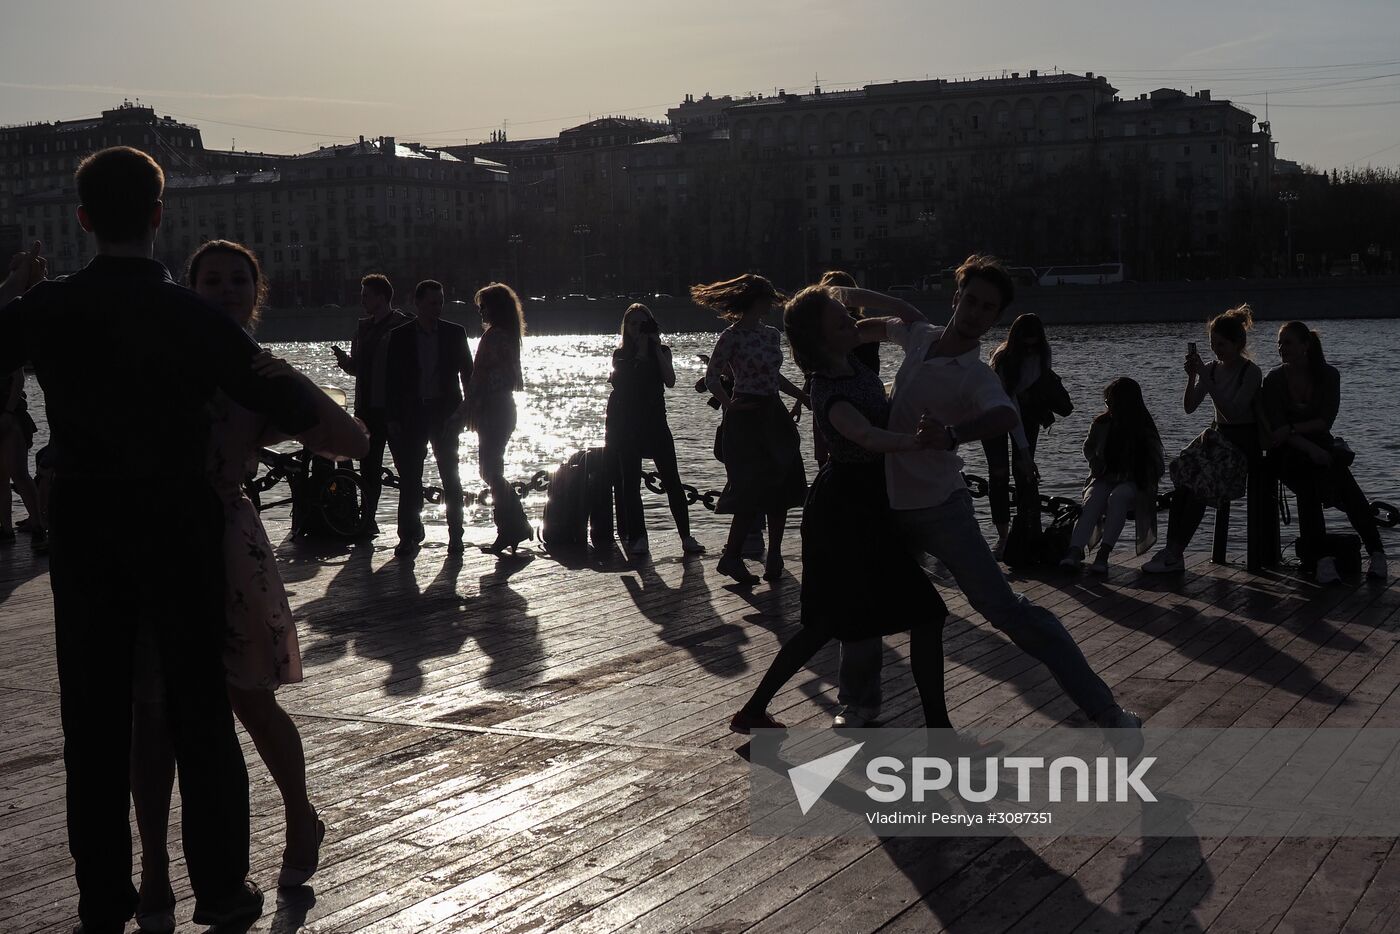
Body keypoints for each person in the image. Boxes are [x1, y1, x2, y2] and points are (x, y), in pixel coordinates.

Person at [0, 147, 365, 934]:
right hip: (181, 527)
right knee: (201, 714)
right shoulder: (196, 318)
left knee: (95, 721)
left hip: (89, 532)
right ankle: (222, 890)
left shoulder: (47, 310)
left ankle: (105, 897)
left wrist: (12, 299)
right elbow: (327, 426)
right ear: (160, 216)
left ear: (83, 219)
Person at [129, 240, 366, 931]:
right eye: (211, 279)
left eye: (239, 280)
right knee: (154, 717)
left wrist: (291, 378)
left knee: (249, 700)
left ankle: (300, 816)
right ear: (189, 288)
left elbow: (350, 440)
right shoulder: (167, 363)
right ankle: (153, 872)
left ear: (257, 292)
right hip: (160, 540)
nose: (225, 289)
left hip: (228, 544)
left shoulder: (255, 375)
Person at [840, 254, 1142, 741]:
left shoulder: (977, 375)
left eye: (989, 308)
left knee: (1007, 610)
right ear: (956, 298)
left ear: (996, 318)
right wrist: (839, 316)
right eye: (972, 300)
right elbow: (880, 326)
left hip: (941, 509)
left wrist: (954, 435)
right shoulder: (919, 337)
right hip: (886, 501)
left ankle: (1107, 713)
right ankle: (857, 705)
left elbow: (1003, 416)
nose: (977, 313)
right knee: (863, 599)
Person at [729, 285, 955, 734]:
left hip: (869, 504)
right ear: (820, 339)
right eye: (840, 320)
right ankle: (938, 729)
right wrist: (918, 442)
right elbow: (868, 438)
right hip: (846, 513)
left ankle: (754, 712)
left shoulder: (851, 350)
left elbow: (915, 323)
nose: (852, 322)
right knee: (858, 620)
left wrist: (863, 294)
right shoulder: (829, 389)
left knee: (841, 622)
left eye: (849, 315)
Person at [695, 274, 809, 584]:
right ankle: (732, 557)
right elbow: (711, 377)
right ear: (753, 301)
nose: (770, 305)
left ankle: (774, 554)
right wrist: (730, 404)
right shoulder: (731, 337)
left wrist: (803, 397)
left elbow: (776, 378)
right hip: (745, 413)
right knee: (751, 487)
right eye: (766, 299)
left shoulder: (771, 335)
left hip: (773, 412)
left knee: (782, 483)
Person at [1260, 321, 1387, 583]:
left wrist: (1295, 430)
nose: (1281, 348)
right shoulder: (1273, 380)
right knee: (1308, 485)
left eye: (1288, 342)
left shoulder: (1329, 376)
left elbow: (1324, 421)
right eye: (1280, 342)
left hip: (1320, 445)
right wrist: (1306, 445)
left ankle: (1376, 553)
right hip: (1287, 453)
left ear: (1306, 346)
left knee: (1347, 487)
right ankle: (1322, 560)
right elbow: (1277, 430)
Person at [1145, 305, 1267, 573]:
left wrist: (1206, 380)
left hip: (1240, 446)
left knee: (1200, 484)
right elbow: (1190, 407)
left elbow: (1234, 413)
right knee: (1183, 476)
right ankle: (1172, 549)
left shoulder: (1251, 373)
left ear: (1238, 344)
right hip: (1217, 440)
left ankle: (1175, 552)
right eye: (1212, 344)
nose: (1216, 351)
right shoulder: (1211, 369)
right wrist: (1192, 378)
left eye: (1221, 345)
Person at [605, 303, 704, 557]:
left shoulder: (662, 351)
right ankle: (639, 537)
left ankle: (686, 536)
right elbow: (620, 384)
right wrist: (638, 353)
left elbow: (670, 380)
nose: (638, 329)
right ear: (626, 327)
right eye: (633, 324)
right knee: (630, 484)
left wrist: (655, 349)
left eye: (643, 323)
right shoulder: (620, 355)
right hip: (628, 427)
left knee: (672, 481)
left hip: (656, 424)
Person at [384, 279, 474, 557]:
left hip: (445, 413)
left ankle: (456, 536)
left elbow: (467, 376)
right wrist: (392, 418)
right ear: (418, 303)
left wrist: (466, 412)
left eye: (441, 302)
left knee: (451, 475)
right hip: (413, 414)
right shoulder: (400, 336)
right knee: (410, 478)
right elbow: (392, 381)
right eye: (433, 303)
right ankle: (408, 536)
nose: (438, 308)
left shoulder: (454, 333)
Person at [332, 273, 410, 538]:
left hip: (394, 411)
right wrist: (345, 362)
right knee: (369, 469)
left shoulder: (402, 326)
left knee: (406, 468)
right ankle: (368, 521)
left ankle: (409, 528)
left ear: (381, 296)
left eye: (366, 295)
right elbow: (360, 369)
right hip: (367, 410)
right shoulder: (363, 329)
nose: (362, 300)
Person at [1060, 378, 1165, 573]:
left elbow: (1157, 464)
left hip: (1136, 481)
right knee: (1093, 500)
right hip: (1105, 476)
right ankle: (1074, 550)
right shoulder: (1101, 423)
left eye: (1113, 403)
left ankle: (1103, 554)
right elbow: (1089, 447)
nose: (1110, 407)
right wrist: (1095, 462)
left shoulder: (1144, 429)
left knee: (1118, 497)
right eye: (1107, 402)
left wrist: (1140, 473)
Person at [458, 282, 531, 554]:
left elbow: (489, 378)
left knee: (490, 471)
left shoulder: (494, 337)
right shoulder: (509, 335)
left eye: (483, 307)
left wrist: (468, 407)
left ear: (495, 308)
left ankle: (513, 527)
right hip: (503, 408)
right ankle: (514, 526)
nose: (480, 312)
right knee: (491, 470)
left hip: (494, 408)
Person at [983, 312, 1050, 558]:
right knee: (998, 474)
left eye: (1035, 345)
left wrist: (1026, 456)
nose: (1031, 350)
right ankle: (1003, 537)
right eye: (1026, 345)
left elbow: (1038, 386)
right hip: (993, 413)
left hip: (1027, 412)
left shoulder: (1043, 354)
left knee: (1024, 473)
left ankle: (1028, 532)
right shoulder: (1002, 360)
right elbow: (1009, 407)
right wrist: (1023, 450)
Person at [808, 271, 880, 468]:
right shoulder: (845, 330)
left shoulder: (854, 329)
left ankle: (825, 470)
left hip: (859, 398)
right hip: (859, 398)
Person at [0, 366, 44, 548]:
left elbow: (18, 378)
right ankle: (6, 529)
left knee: (19, 474)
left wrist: (9, 411)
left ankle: (38, 527)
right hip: (7, 413)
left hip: (9, 415)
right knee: (1, 478)